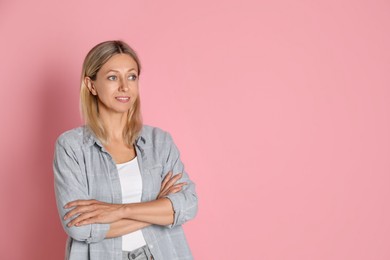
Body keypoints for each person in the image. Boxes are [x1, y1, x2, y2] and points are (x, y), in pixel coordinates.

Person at [53, 40, 198, 260]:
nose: (124, 86)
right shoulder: (71, 147)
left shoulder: (159, 142)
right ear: (91, 85)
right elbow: (80, 228)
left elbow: (187, 205)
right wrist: (158, 210)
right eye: (112, 77)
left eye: (132, 76)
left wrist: (120, 210)